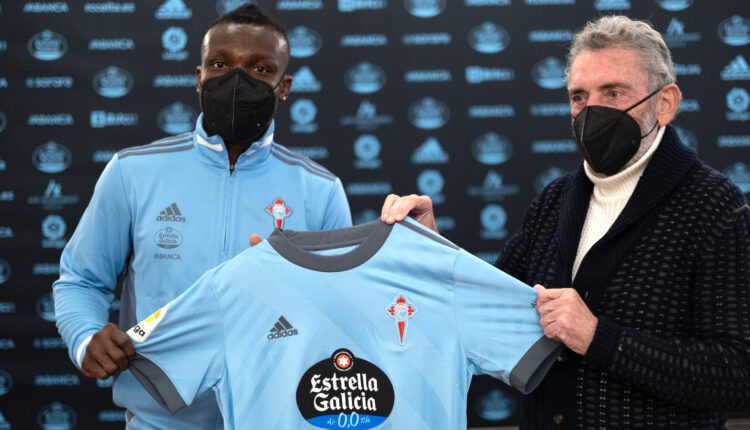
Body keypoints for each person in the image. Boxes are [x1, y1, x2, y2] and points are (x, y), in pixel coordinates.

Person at [381, 15, 750, 429]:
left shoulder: (714, 207)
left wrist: (599, 337)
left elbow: (737, 373)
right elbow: (487, 311)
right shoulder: (555, 201)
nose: (591, 112)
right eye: (579, 96)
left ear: (664, 103)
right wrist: (431, 245)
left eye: (613, 93)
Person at [53, 4, 351, 430]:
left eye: (260, 69)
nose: (237, 80)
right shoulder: (133, 172)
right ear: (199, 77)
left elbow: (342, 310)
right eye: (220, 64)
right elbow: (81, 279)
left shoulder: (319, 190)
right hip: (158, 422)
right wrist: (85, 336)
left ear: (283, 87)